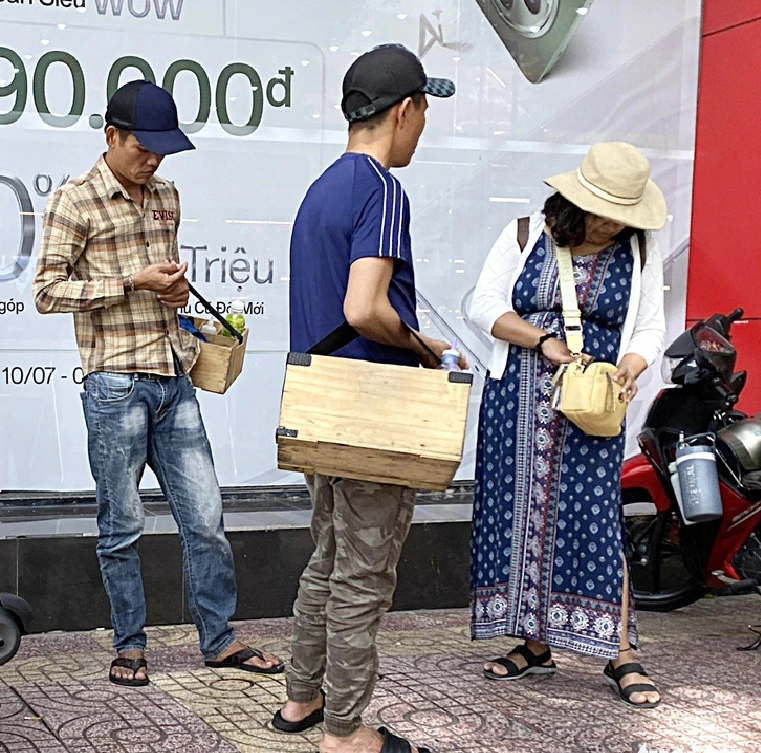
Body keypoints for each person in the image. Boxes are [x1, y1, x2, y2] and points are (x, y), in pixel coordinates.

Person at [33, 80, 283, 687]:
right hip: (114, 383)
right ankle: (129, 645)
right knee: (122, 525)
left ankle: (219, 639)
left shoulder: (167, 193)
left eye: (163, 151)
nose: (154, 161)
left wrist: (173, 292)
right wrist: (133, 283)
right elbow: (45, 292)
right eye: (145, 148)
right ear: (112, 136)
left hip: (175, 375)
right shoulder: (74, 201)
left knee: (206, 518)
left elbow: (162, 286)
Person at [272, 45, 462, 753]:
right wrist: (420, 346)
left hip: (323, 405)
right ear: (406, 110)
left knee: (327, 553)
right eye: (423, 113)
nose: (421, 128)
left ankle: (302, 697)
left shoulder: (321, 187)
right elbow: (363, 306)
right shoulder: (381, 189)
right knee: (363, 571)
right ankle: (346, 729)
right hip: (372, 408)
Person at [468, 142, 666, 708]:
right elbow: (482, 305)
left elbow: (649, 329)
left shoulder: (641, 250)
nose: (611, 225)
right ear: (575, 201)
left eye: (622, 215)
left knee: (596, 516)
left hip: (592, 404)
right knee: (519, 516)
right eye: (603, 212)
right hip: (517, 398)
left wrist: (630, 366)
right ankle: (534, 645)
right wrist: (543, 341)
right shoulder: (526, 233)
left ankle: (621, 652)